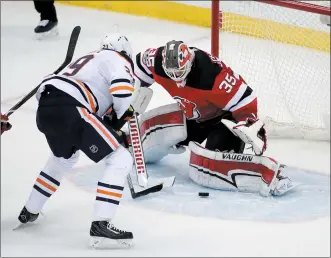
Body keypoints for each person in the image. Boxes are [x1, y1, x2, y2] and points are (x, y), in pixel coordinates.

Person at [15, 33, 136, 248]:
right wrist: (121, 116)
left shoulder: (88, 59)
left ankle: (30, 210)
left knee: (63, 159)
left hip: (46, 109)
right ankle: (101, 223)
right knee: (121, 158)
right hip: (73, 108)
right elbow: (122, 91)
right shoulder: (117, 58)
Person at [130, 40, 294, 197]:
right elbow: (138, 65)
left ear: (189, 63)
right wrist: (133, 91)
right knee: (155, 134)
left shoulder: (212, 75)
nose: (175, 78)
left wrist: (248, 123)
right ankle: (126, 141)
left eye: (179, 73)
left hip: (224, 121)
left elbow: (246, 98)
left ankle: (271, 174)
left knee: (207, 169)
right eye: (170, 73)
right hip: (195, 115)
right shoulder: (156, 60)